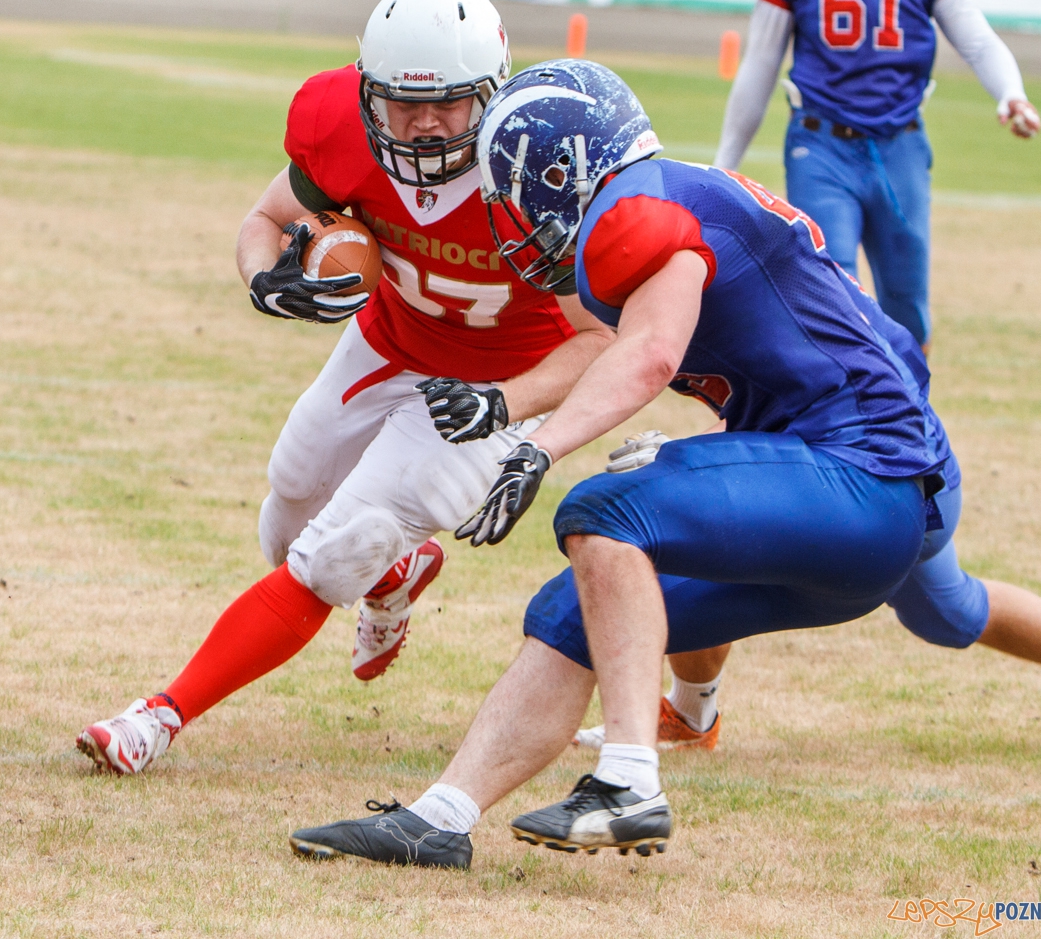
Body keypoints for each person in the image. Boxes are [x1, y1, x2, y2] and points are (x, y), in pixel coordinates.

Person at [288, 58, 958, 865]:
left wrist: (538, 447)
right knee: (576, 608)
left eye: (509, 190)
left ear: (557, 170)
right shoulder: (676, 196)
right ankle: (440, 818)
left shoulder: (635, 206)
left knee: (606, 510)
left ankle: (629, 781)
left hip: (859, 481)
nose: (509, 217)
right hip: (856, 498)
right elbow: (886, 352)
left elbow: (649, 353)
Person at [74, 0, 616, 776]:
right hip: (391, 340)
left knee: (331, 556)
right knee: (286, 519)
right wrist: (265, 278)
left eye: (448, 103)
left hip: (497, 386)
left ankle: (158, 715)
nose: (424, 125)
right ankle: (396, 573)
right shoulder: (341, 127)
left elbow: (602, 338)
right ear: (368, 93)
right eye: (403, 103)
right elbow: (265, 220)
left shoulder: (536, 163)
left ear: (491, 94)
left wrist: (505, 403)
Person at [570, 432, 1041, 753]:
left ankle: (671, 731)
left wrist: (690, 457)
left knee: (695, 539)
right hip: (892, 470)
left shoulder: (774, 305)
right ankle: (689, 715)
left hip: (876, 483)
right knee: (949, 611)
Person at [715, 0, 1041, 350]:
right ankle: (846, 398)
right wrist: (726, 164)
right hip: (820, 144)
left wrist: (1011, 92)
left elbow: (976, 40)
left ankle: (909, 396)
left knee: (907, 304)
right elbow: (761, 61)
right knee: (833, 294)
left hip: (899, 144)